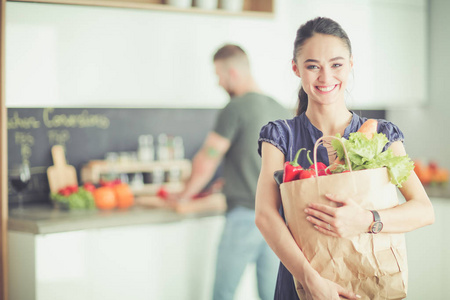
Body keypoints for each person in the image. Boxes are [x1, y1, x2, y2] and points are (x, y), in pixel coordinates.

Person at [255, 17, 435, 300]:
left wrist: (366, 220)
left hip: (369, 282)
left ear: (351, 64)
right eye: (313, 66)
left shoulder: (382, 134)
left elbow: (424, 210)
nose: (325, 77)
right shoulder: (280, 136)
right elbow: (265, 216)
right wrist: (311, 280)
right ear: (296, 68)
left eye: (336, 64)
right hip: (300, 287)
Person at [173, 44, 290, 300]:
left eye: (219, 75)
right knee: (272, 295)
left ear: (233, 72)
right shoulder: (280, 109)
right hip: (278, 217)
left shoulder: (235, 107)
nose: (218, 83)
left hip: (244, 218)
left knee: (223, 294)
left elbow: (207, 158)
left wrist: (184, 195)